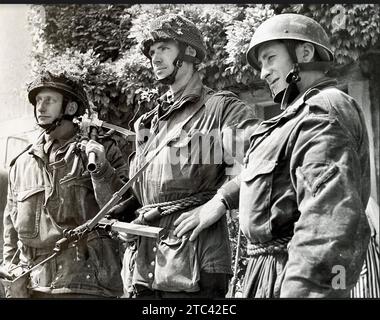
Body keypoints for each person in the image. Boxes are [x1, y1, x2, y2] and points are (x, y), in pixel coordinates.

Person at [177, 13, 372, 298]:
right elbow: (273, 179)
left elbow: (329, 224)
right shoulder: (294, 119)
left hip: (292, 273)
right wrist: (223, 199)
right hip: (267, 274)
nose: (263, 72)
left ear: (304, 53)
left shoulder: (323, 109)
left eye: (270, 58)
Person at [120, 13, 260, 298]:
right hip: (148, 264)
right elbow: (147, 191)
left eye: (164, 49)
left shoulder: (220, 109)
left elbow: (261, 159)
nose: (154, 59)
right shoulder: (149, 123)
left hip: (197, 260)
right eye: (152, 52)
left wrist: (220, 203)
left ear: (189, 53)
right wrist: (130, 218)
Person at [1, 71, 129, 298]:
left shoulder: (100, 151)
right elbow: (11, 230)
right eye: (38, 100)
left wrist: (101, 170)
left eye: (49, 100)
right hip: (35, 286)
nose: (41, 107)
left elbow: (122, 212)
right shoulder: (22, 163)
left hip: (87, 285)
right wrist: (12, 274)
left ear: (70, 108)